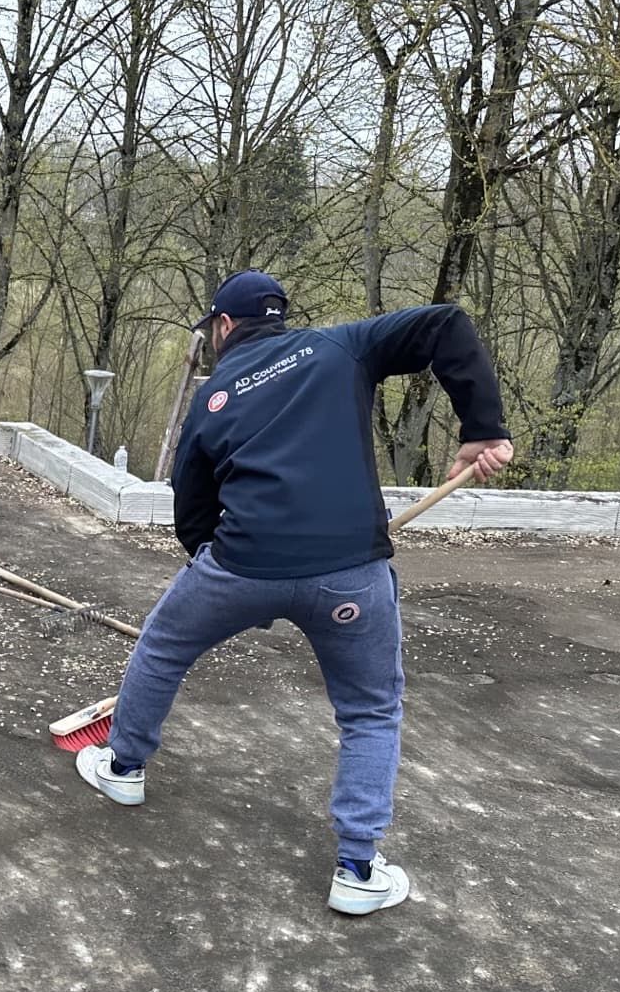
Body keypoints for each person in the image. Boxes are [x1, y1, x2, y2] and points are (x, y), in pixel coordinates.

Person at [75, 270, 514, 917]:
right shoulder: (343, 347)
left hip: (242, 564)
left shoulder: (214, 395)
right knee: (370, 710)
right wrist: (481, 426)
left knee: (164, 645)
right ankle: (358, 869)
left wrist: (218, 577)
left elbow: (191, 507)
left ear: (224, 326)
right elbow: (445, 323)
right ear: (277, 318)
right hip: (351, 574)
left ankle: (123, 770)